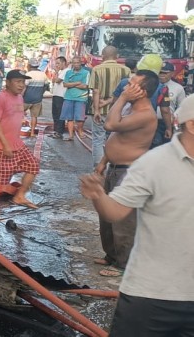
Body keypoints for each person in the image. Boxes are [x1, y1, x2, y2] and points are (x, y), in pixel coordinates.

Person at [77, 95, 194, 336]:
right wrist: (99, 195)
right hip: (151, 296)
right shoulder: (154, 164)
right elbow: (116, 211)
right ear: (192, 125)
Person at [91, 70, 160, 278]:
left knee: (123, 222)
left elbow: (110, 124)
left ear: (142, 90)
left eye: (132, 83)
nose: (126, 86)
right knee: (106, 215)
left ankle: (123, 263)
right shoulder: (130, 107)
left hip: (129, 172)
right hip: (115, 168)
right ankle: (111, 254)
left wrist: (121, 98)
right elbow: (115, 135)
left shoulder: (146, 114)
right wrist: (104, 160)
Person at [0, 70, 39, 215]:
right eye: (17, 82)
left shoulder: (19, 97)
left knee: (33, 165)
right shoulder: (0, 98)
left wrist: (23, 119)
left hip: (16, 142)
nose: (21, 85)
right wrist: (5, 144)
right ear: (7, 82)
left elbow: (17, 113)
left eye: (23, 82)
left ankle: (20, 196)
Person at [111, 54, 174, 148]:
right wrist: (169, 128)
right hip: (144, 126)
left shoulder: (125, 82)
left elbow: (115, 103)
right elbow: (165, 111)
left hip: (122, 122)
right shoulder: (162, 88)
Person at [89, 46, 130, 124]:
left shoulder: (97, 69)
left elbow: (95, 91)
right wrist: (108, 101)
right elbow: (125, 92)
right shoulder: (126, 70)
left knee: (98, 135)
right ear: (117, 56)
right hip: (118, 110)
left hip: (100, 109)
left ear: (102, 56)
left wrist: (96, 110)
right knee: (114, 134)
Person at [60, 57, 91, 141]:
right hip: (68, 97)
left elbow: (85, 86)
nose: (76, 64)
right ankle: (71, 135)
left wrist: (71, 84)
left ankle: (80, 131)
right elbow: (65, 84)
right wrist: (77, 83)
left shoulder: (86, 73)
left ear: (80, 63)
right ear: (72, 63)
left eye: (78, 62)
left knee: (80, 117)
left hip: (81, 97)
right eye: (74, 63)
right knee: (69, 117)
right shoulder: (68, 72)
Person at [159, 62, 186, 137]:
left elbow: (181, 107)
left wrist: (174, 119)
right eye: (160, 72)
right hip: (150, 122)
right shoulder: (151, 85)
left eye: (165, 73)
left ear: (172, 73)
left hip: (167, 123)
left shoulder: (178, 88)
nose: (162, 75)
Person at [22, 68, 48, 136]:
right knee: (34, 116)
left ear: (29, 66)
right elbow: (46, 86)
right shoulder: (43, 74)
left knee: (19, 114)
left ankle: (16, 130)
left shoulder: (29, 74)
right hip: (37, 99)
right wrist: (41, 93)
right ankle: (32, 132)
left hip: (27, 98)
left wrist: (20, 96)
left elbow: (24, 86)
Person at [49, 57, 69, 140]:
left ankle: (59, 132)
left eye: (58, 63)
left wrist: (56, 72)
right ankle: (56, 131)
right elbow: (53, 80)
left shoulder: (66, 71)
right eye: (56, 63)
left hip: (61, 95)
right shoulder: (61, 72)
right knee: (55, 113)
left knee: (60, 114)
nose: (56, 65)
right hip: (56, 94)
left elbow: (57, 80)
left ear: (64, 63)